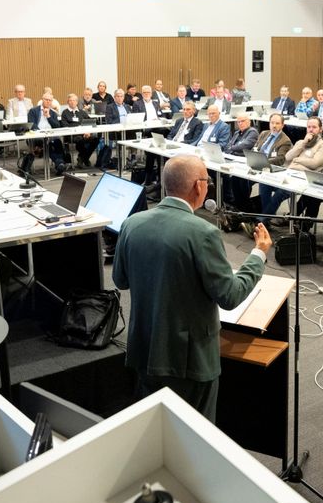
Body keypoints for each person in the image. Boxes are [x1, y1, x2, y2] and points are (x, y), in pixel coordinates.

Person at [113, 155, 271, 421]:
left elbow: (120, 280)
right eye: (207, 181)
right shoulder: (203, 232)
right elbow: (230, 295)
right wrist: (258, 255)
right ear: (198, 186)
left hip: (143, 349)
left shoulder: (132, 224)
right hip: (189, 360)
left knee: (154, 430)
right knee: (196, 436)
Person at [258, 116, 323, 224]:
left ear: (320, 129)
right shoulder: (300, 142)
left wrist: (297, 160)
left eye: (314, 127)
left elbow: (314, 164)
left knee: (280, 193)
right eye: (309, 127)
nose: (311, 129)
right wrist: (304, 143)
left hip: (304, 179)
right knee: (264, 183)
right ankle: (267, 217)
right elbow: (288, 157)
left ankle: (261, 221)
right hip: (288, 174)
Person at [21, 94, 66, 175]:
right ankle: (59, 163)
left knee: (57, 142)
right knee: (47, 143)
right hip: (37, 136)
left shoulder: (53, 113)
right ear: (42, 100)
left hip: (50, 135)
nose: (48, 101)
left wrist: (48, 116)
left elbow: (57, 126)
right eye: (46, 99)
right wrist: (41, 132)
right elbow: (31, 124)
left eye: (50, 100)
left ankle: (60, 164)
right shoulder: (33, 111)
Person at [62, 93, 99, 168]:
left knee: (96, 139)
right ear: (68, 102)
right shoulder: (65, 113)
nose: (72, 102)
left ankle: (82, 158)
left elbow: (90, 122)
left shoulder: (82, 112)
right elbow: (65, 125)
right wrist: (80, 128)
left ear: (77, 102)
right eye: (70, 100)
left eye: (74, 100)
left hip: (85, 133)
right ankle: (85, 159)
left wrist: (88, 131)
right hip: (72, 135)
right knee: (80, 140)